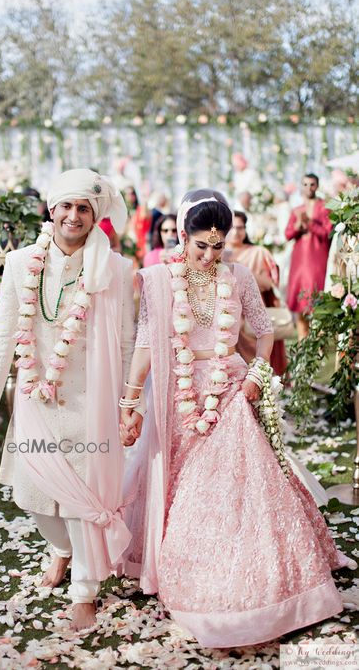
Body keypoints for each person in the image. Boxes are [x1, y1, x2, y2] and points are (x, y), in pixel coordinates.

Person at [120, 189, 355, 648]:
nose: (209, 255)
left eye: (218, 245)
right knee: (186, 485)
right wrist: (130, 399)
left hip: (231, 386)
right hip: (181, 395)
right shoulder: (159, 281)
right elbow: (147, 344)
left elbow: (265, 333)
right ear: (182, 238)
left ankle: (262, 584)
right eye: (200, 245)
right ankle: (194, 568)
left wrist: (257, 376)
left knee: (240, 479)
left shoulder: (240, 275)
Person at [0, 168, 137, 632]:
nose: (73, 215)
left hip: (93, 400)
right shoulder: (21, 262)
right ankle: (61, 550)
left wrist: (129, 405)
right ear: (52, 208)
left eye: (84, 208)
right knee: (35, 497)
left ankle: (85, 590)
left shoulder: (116, 269)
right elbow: (4, 332)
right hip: (35, 397)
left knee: (85, 499)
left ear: (95, 217)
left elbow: (126, 342)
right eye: (66, 205)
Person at [225, 211, 287, 375]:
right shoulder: (217, 253)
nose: (236, 232)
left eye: (240, 227)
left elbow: (270, 284)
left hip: (251, 316)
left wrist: (240, 269)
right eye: (232, 228)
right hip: (226, 315)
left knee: (254, 365)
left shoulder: (258, 252)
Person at [285, 173, 332, 340]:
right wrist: (298, 225)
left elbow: (328, 233)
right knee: (299, 297)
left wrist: (310, 223)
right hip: (299, 260)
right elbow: (288, 234)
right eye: (305, 184)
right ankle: (301, 339)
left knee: (316, 295)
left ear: (317, 186)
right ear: (301, 186)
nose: (308, 188)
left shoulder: (325, 207)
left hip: (317, 258)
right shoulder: (296, 210)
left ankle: (318, 342)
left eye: (312, 184)